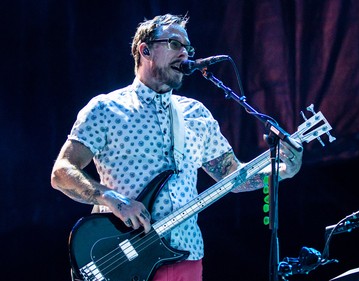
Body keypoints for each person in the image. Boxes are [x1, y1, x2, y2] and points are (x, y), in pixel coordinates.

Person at [51, 13, 303, 281]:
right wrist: (114, 200)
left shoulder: (196, 114)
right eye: (174, 44)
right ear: (145, 50)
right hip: (123, 259)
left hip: (187, 254)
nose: (185, 54)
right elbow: (62, 172)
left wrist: (280, 171)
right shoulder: (105, 109)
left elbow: (232, 176)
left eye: (188, 48)